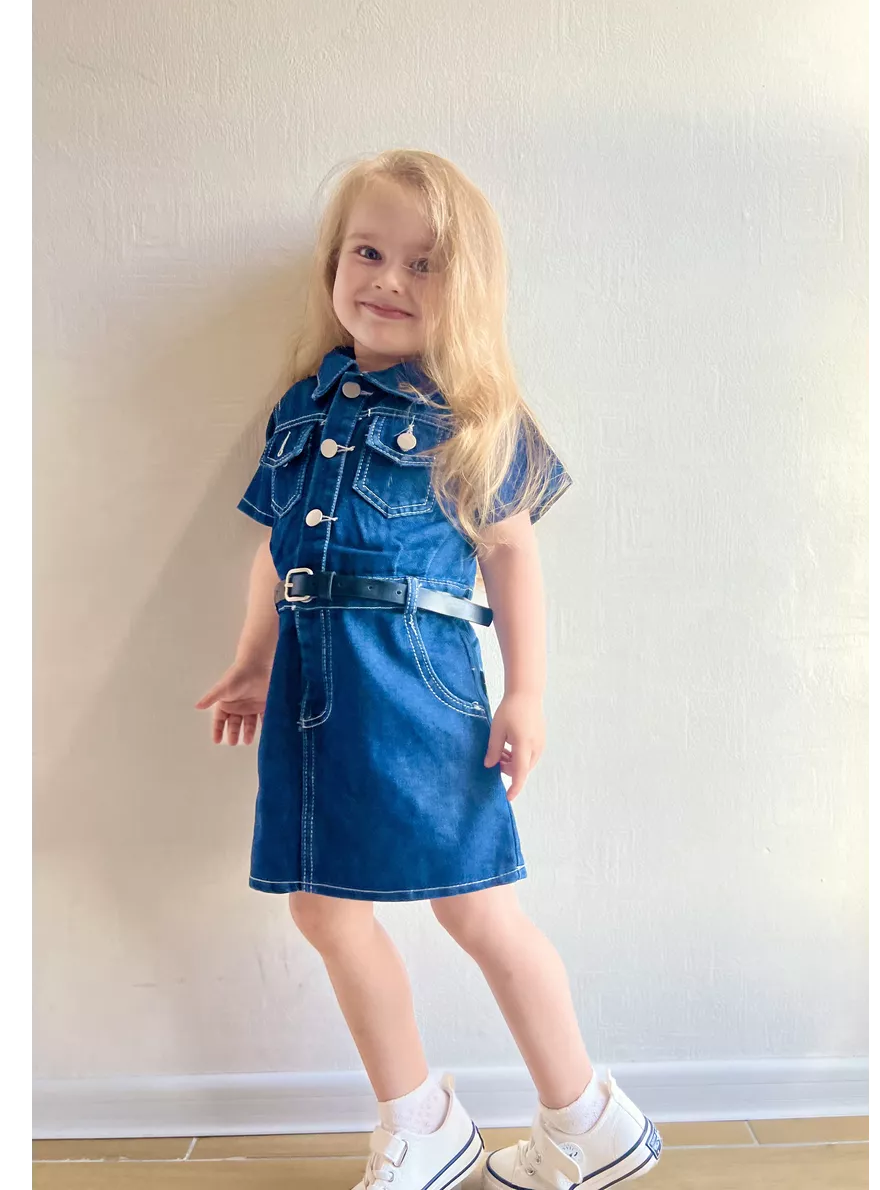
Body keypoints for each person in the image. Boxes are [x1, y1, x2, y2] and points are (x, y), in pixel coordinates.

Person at [196, 149, 662, 1190]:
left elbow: (512, 556)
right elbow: (275, 549)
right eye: (368, 252)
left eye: (425, 263)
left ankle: (588, 1117)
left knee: (475, 907)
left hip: (422, 683)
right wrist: (251, 661)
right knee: (320, 908)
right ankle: (422, 1123)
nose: (389, 281)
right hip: (310, 689)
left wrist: (528, 692)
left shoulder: (474, 417)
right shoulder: (301, 408)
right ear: (333, 262)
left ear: (468, 289)